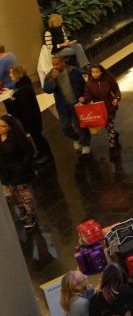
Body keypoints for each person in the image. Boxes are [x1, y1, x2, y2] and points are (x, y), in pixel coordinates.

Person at [0, 115, 42, 244]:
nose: (0, 129)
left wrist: (21, 166)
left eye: (2, 126)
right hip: (6, 174)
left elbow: (29, 153)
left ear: (10, 127)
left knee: (25, 196)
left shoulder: (18, 139)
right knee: (12, 196)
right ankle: (22, 210)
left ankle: (31, 215)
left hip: (20, 172)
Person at [43, 54, 89, 153]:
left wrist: (84, 97)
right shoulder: (50, 75)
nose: (55, 66)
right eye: (53, 64)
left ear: (63, 63)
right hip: (62, 106)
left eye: (57, 64)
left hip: (76, 103)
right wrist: (53, 79)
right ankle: (77, 138)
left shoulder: (73, 71)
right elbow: (47, 90)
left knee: (81, 125)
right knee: (65, 127)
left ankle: (85, 144)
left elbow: (84, 85)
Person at [8, 66, 50, 162]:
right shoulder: (24, 85)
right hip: (31, 117)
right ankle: (41, 152)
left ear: (17, 74)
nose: (10, 75)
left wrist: (13, 100)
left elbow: (24, 105)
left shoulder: (23, 88)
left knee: (37, 136)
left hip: (31, 118)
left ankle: (46, 155)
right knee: (36, 136)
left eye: (11, 73)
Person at [80, 64, 122, 152]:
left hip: (109, 106)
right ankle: (114, 134)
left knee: (109, 124)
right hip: (99, 108)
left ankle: (112, 144)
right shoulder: (89, 84)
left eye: (96, 72)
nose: (94, 74)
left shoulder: (108, 80)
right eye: (93, 72)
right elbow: (88, 96)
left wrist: (116, 98)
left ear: (101, 72)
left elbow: (116, 90)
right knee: (107, 125)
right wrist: (84, 100)